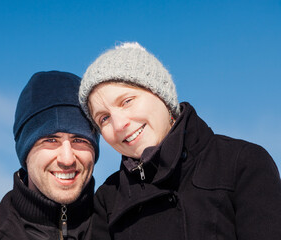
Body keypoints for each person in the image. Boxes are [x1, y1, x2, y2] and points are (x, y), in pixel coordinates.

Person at [78, 42, 281, 240]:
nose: (119, 124)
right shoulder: (108, 199)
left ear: (161, 95)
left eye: (127, 101)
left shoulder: (241, 163)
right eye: (104, 118)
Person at [0, 71, 100, 240]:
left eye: (79, 140)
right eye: (50, 140)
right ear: (25, 151)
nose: (67, 159)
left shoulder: (121, 227)